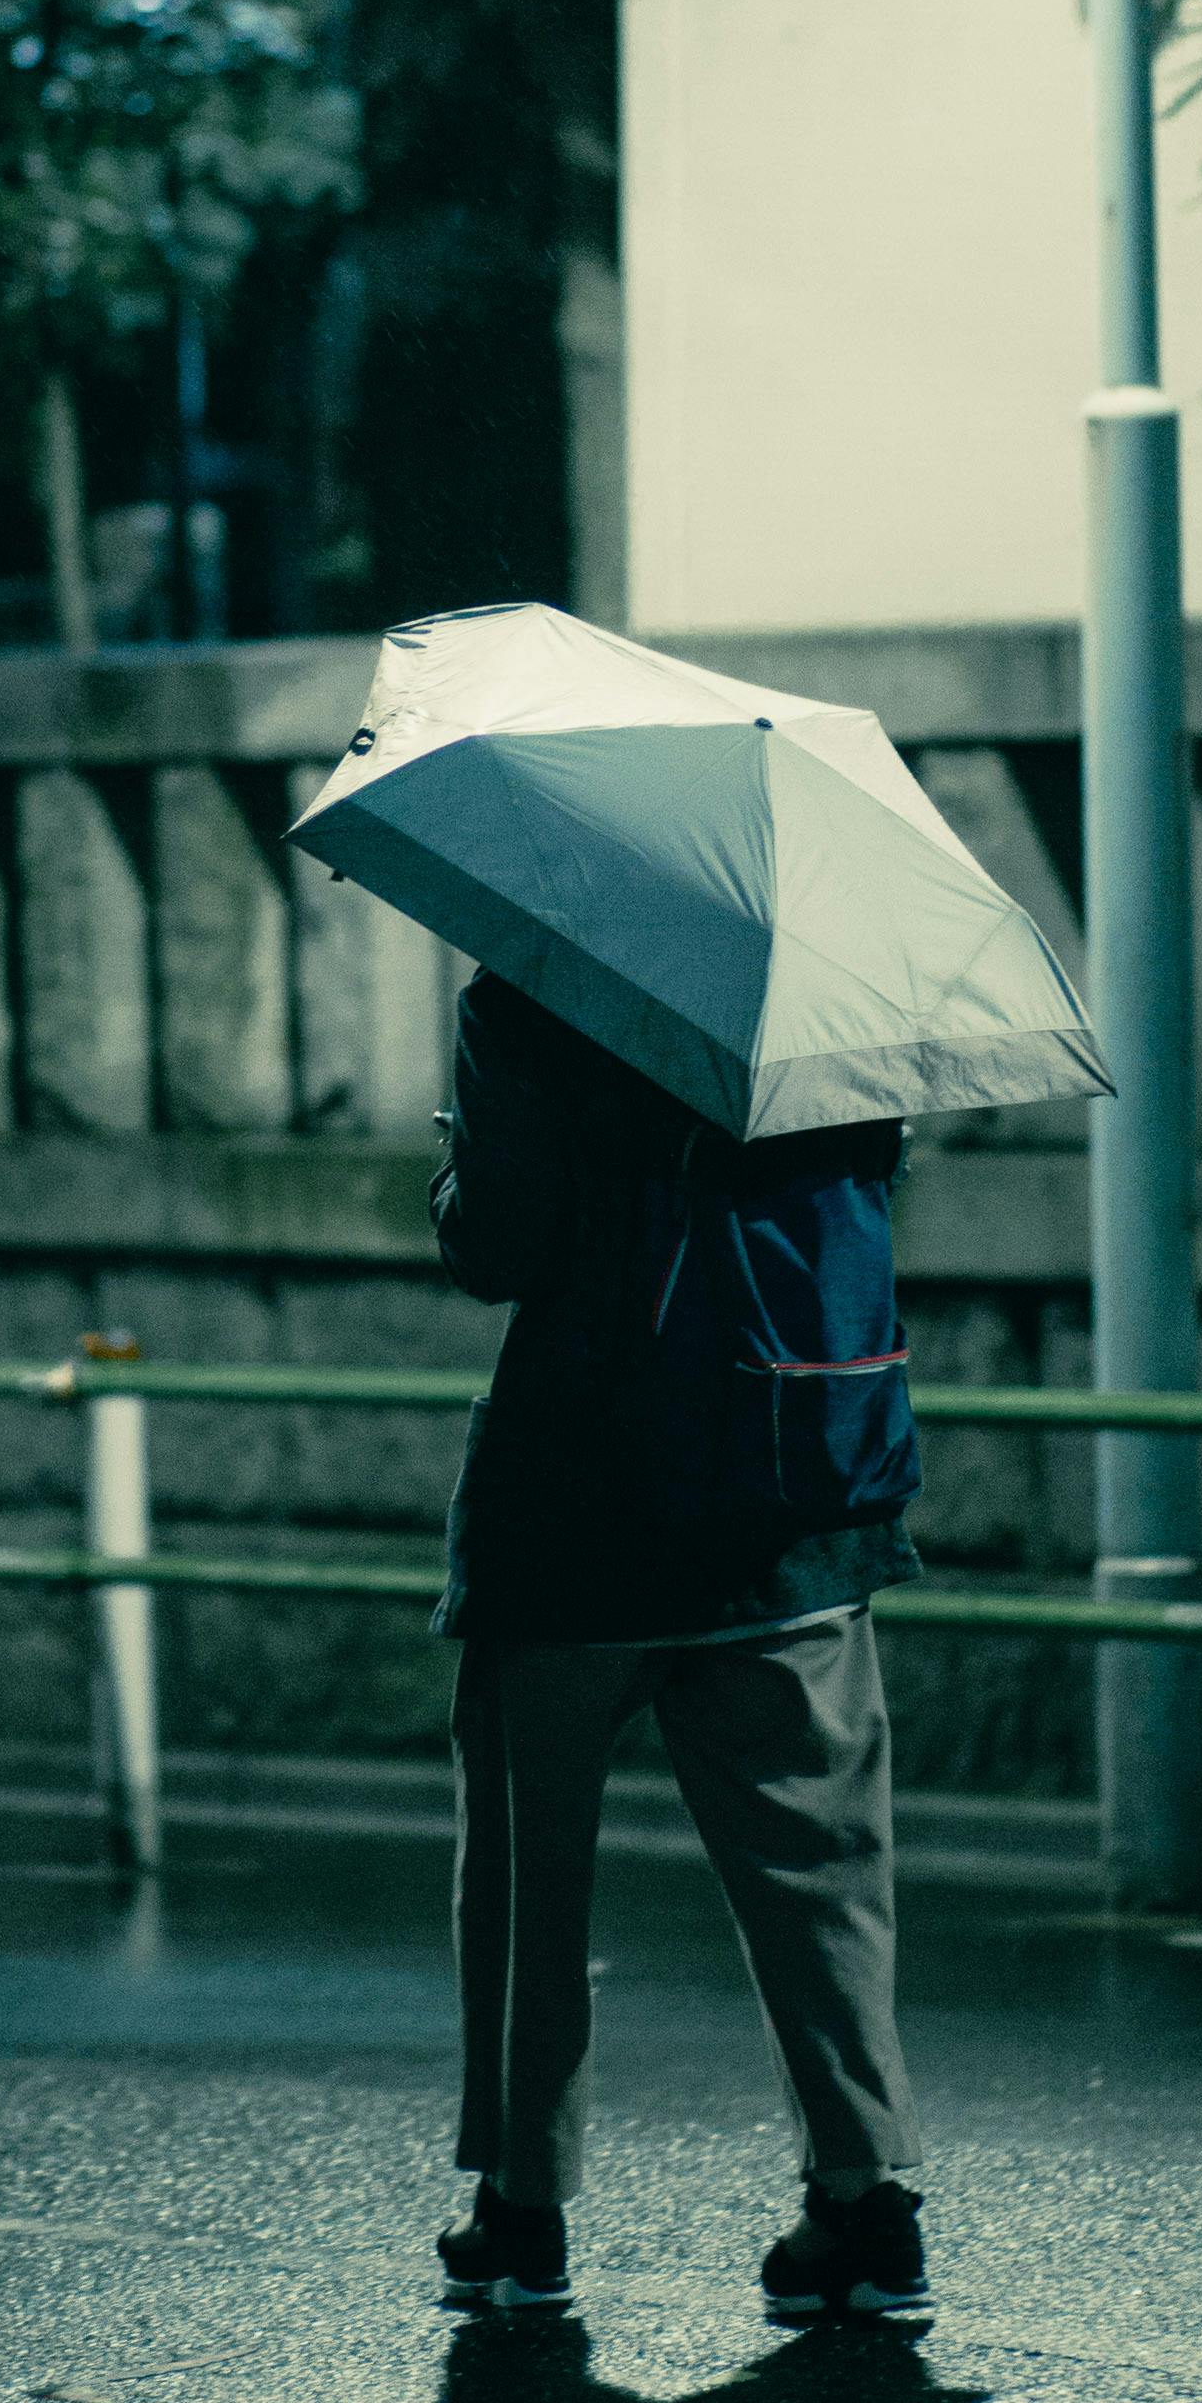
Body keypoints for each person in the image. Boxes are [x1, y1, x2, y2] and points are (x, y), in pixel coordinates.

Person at [427, 961, 932, 2328]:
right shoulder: (842, 990)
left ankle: (523, 2209)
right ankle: (866, 2200)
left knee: (530, 1878)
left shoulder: (533, 994)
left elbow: (500, 1247)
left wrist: (456, 1177)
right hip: (791, 1497)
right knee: (824, 1871)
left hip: (579, 1513)